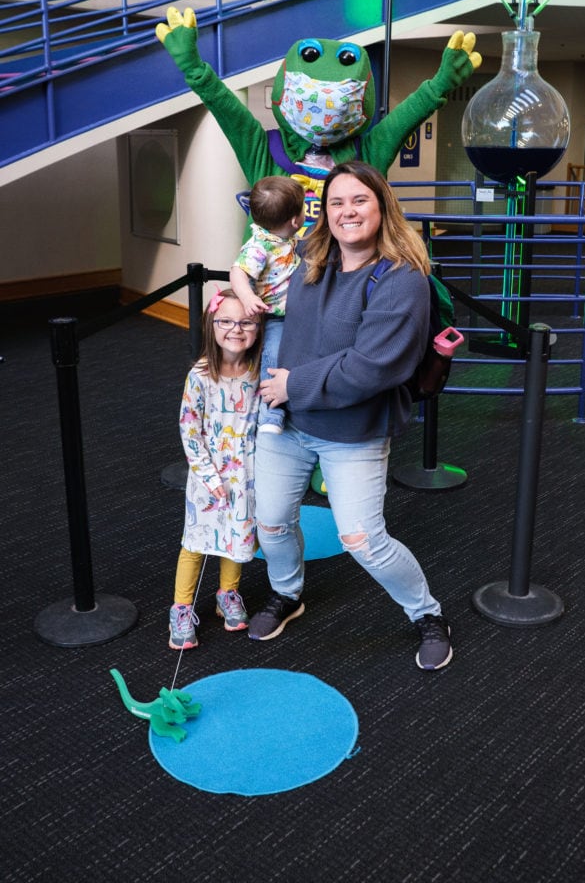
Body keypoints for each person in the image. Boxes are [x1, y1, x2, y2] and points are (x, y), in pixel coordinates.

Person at [248, 160, 453, 670]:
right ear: (324, 213)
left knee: (362, 539)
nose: (347, 211)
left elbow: (372, 367)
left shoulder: (403, 279)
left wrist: (294, 383)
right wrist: (229, 305)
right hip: (287, 422)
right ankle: (287, 593)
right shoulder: (311, 260)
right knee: (270, 524)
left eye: (359, 200)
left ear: (382, 206)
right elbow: (266, 297)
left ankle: (427, 614)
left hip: (351, 432)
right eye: (336, 202)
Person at [168, 288, 262, 650]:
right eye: (225, 321)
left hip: (247, 476)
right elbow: (190, 431)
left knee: (237, 535)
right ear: (212, 324)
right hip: (209, 478)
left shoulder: (257, 373)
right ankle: (181, 607)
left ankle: (228, 594)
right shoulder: (201, 376)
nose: (235, 329)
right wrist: (209, 476)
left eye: (246, 322)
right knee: (196, 542)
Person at [230, 176, 306, 434]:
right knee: (273, 357)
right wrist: (248, 298)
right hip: (275, 317)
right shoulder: (259, 245)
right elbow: (238, 272)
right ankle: (270, 414)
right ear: (295, 220)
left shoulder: (284, 240)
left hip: (296, 314)